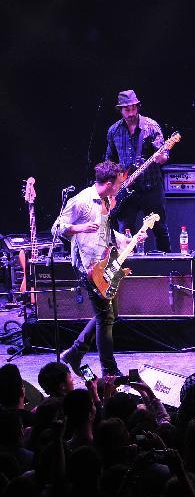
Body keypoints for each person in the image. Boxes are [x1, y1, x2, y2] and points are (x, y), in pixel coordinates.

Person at [53, 160, 146, 377]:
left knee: (109, 314)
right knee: (106, 317)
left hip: (105, 264)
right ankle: (109, 370)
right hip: (89, 267)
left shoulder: (106, 202)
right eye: (119, 183)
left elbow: (105, 236)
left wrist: (130, 240)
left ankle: (75, 352)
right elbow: (57, 227)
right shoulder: (83, 201)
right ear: (108, 183)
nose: (121, 187)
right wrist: (79, 227)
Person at [105, 89, 172, 252]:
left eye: (134, 108)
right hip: (126, 191)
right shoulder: (114, 131)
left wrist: (161, 158)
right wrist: (114, 186)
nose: (131, 113)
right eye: (127, 109)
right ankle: (127, 271)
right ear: (120, 110)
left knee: (160, 230)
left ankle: (166, 269)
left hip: (151, 188)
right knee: (124, 232)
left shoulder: (151, 126)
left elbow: (164, 154)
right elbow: (110, 160)